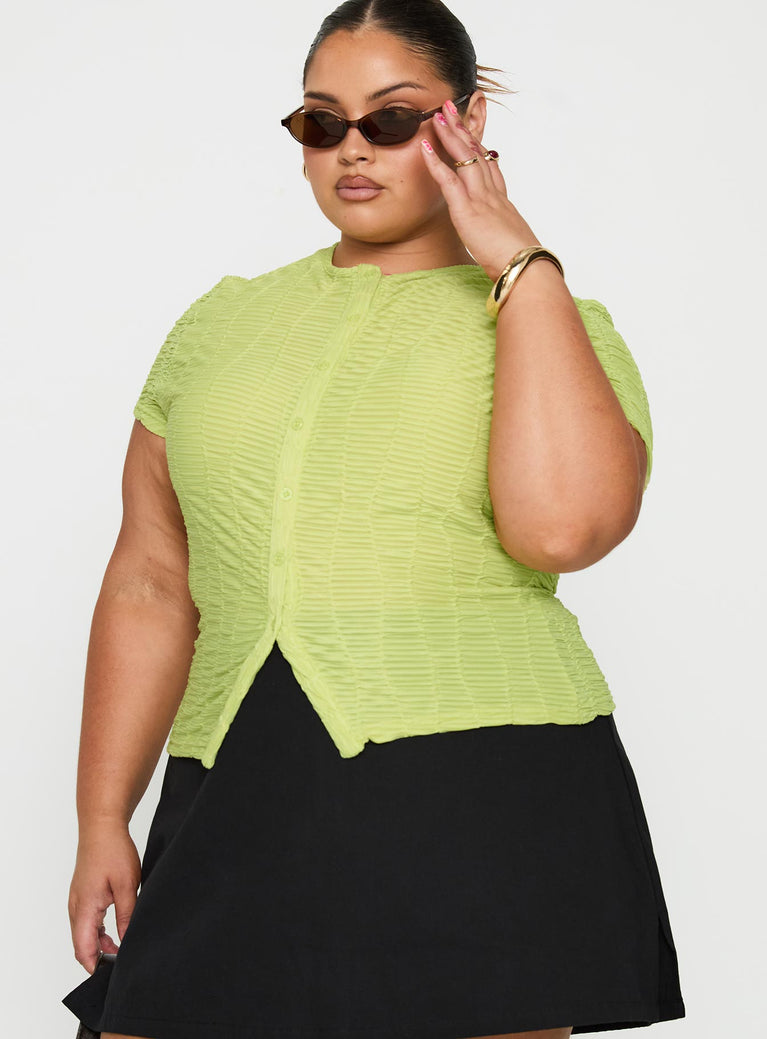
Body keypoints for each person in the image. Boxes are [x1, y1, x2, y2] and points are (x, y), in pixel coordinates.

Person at [63, 1, 686, 1037]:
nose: (351, 148)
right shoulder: (221, 322)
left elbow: (563, 531)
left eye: (390, 119)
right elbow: (151, 577)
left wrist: (519, 261)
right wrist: (100, 817)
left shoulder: (553, 323)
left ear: (465, 120)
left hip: (484, 782)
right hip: (236, 774)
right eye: (321, 122)